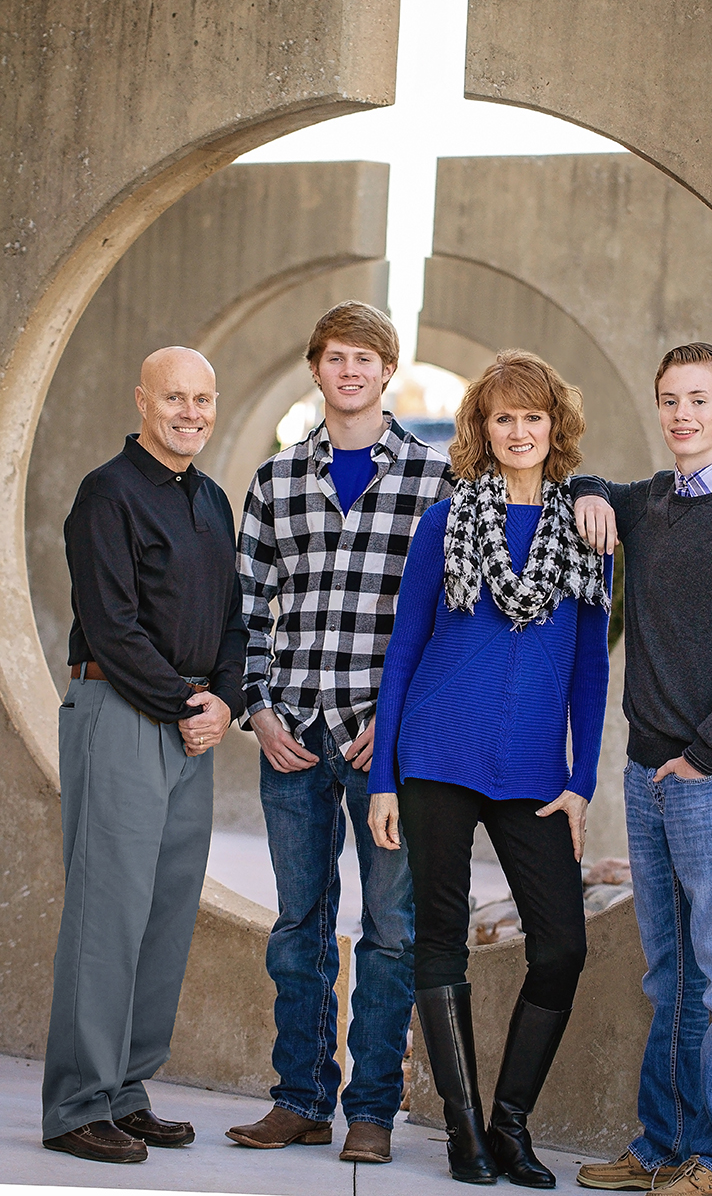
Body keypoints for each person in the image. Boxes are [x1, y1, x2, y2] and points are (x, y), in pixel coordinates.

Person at [368, 349, 612, 1187]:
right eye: (502, 417)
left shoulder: (586, 532)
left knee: (561, 948)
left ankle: (512, 1122)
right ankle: (464, 1129)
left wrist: (580, 782)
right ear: (481, 428)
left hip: (537, 771)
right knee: (439, 940)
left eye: (532, 417)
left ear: (555, 427)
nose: (518, 431)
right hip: (437, 752)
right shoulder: (445, 523)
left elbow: (590, 668)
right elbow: (404, 654)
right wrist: (381, 778)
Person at [227, 302, 453, 1165]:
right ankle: (299, 1099)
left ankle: (372, 1111)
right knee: (299, 925)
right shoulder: (277, 480)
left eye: (365, 358)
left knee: (391, 929)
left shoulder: (436, 480)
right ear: (315, 369)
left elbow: (448, 620)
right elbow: (247, 610)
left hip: (381, 745)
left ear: (387, 369)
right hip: (294, 737)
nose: (349, 371)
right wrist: (259, 707)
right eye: (334, 358)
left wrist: (400, 727)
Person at [571, 344, 712, 1196]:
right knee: (670, 976)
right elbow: (584, 487)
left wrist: (704, 755)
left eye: (698, 400)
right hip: (644, 778)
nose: (682, 415)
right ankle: (664, 1149)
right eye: (670, 400)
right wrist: (594, 496)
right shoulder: (652, 501)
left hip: (710, 780)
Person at [41, 347, 246, 1164]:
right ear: (142, 401)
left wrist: (222, 700)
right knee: (107, 915)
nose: (189, 412)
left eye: (203, 399)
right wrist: (186, 704)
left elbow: (233, 618)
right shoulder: (107, 494)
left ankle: (125, 1092)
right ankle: (75, 1107)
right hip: (122, 712)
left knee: (163, 915)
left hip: (190, 721)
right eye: (174, 398)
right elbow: (113, 623)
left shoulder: (213, 500)